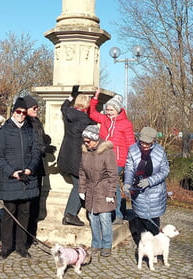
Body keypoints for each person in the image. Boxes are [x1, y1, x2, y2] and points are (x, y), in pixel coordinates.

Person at [0, 97, 40, 260]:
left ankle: (21, 246)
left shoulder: (30, 130)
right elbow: (0, 156)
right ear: (13, 112)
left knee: (25, 213)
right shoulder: (4, 131)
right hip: (11, 179)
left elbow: (35, 152)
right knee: (9, 214)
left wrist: (30, 168)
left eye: (23, 112)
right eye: (18, 112)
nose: (21, 115)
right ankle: (6, 247)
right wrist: (11, 172)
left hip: (27, 179)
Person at [89, 89, 135, 222]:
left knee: (112, 185)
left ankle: (118, 214)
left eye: (111, 110)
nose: (109, 112)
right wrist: (95, 98)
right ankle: (105, 211)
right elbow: (92, 113)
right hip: (103, 157)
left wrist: (130, 162)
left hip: (118, 160)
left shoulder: (126, 124)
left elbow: (131, 143)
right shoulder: (104, 120)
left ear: (118, 110)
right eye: (107, 110)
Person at [123, 127, 170, 246]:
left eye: (147, 143)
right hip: (138, 191)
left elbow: (165, 171)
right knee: (140, 218)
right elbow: (129, 168)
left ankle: (155, 246)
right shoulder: (133, 150)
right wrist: (127, 182)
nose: (144, 145)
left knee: (153, 221)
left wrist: (150, 181)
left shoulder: (160, 151)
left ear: (154, 141)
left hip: (155, 192)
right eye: (142, 142)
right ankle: (141, 246)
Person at [57, 85, 96, 226]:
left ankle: (71, 213)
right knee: (80, 185)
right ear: (86, 105)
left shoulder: (68, 114)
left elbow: (63, 106)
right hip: (77, 157)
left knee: (78, 183)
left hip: (65, 156)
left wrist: (71, 96)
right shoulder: (84, 120)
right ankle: (70, 214)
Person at [79, 124, 117, 257]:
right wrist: (81, 189)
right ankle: (96, 243)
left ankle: (107, 245)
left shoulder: (107, 152)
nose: (86, 143)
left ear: (95, 139)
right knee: (92, 217)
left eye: (88, 141)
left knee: (105, 219)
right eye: (85, 141)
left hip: (104, 190)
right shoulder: (85, 152)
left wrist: (110, 193)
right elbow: (82, 172)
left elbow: (113, 174)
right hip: (91, 190)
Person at [23, 95, 54, 247]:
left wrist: (45, 140)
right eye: (34, 108)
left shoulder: (36, 121)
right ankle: (25, 235)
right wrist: (43, 147)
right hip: (30, 167)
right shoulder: (26, 123)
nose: (37, 109)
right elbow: (31, 145)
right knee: (27, 204)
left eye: (37, 107)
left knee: (35, 203)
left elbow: (39, 139)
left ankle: (31, 234)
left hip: (39, 166)